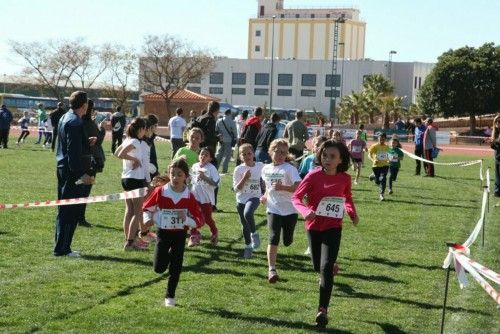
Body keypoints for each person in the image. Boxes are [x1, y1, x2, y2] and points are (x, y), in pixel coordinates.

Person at [292, 140, 359, 328]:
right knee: (317, 266)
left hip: (333, 227)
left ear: (340, 160)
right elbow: (296, 197)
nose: (327, 159)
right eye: (324, 155)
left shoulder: (344, 179)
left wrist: (352, 213)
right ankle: (330, 266)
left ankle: (322, 310)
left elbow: (347, 198)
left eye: (332, 156)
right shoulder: (312, 176)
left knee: (326, 268)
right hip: (314, 226)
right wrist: (306, 212)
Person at [143, 159, 204, 307]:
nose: (175, 178)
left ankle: (170, 296)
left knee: (176, 267)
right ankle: (167, 256)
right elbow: (147, 208)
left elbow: (200, 220)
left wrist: (187, 220)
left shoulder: (189, 197)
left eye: (179, 175)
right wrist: (148, 219)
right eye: (172, 174)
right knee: (159, 268)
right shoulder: (161, 191)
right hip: (163, 233)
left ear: (186, 177)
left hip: (180, 235)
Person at [54, 91, 93, 257]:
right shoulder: (75, 122)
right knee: (70, 211)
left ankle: (61, 246)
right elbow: (73, 152)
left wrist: (86, 141)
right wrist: (80, 175)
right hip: (71, 172)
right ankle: (63, 248)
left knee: (64, 209)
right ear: (84, 105)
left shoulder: (65, 117)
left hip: (62, 167)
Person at [260, 139, 302, 283]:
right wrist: (264, 197)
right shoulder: (265, 169)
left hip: (290, 210)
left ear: (287, 155)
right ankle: (272, 269)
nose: (280, 155)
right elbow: (268, 188)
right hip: (273, 208)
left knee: (287, 240)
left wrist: (283, 188)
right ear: (271, 151)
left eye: (283, 153)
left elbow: (298, 186)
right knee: (273, 237)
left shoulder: (289, 169)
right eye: (277, 151)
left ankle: (288, 237)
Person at [115, 117, 149, 251]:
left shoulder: (127, 140)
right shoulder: (135, 141)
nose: (145, 132)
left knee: (129, 210)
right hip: (135, 179)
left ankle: (129, 239)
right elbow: (120, 154)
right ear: (140, 129)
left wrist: (131, 158)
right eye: (144, 129)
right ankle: (130, 242)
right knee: (137, 211)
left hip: (126, 178)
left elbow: (116, 152)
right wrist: (135, 159)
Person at [78, 99, 106, 228]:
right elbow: (97, 141)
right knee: (84, 191)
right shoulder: (88, 123)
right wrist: (102, 129)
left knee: (80, 190)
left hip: (85, 161)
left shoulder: (80, 121)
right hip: (91, 162)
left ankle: (79, 217)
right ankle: (80, 218)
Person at [233, 144, 263, 258]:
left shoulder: (260, 166)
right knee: (244, 225)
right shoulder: (239, 169)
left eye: (249, 153)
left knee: (248, 213)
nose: (247, 156)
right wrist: (244, 178)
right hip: (241, 199)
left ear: (253, 154)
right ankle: (248, 247)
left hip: (255, 197)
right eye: (243, 154)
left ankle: (254, 234)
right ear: (240, 157)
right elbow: (236, 189)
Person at [188, 146, 220, 247]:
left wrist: (204, 177)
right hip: (194, 196)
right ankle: (194, 236)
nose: (203, 156)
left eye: (206, 155)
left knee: (207, 219)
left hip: (206, 198)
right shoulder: (194, 166)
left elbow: (215, 183)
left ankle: (214, 232)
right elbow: (191, 179)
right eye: (202, 154)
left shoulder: (211, 168)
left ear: (210, 158)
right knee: (193, 216)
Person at [368, 132, 390, 201]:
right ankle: (374, 176)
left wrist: (390, 159)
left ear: (385, 139)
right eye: (380, 139)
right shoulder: (375, 146)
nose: (381, 140)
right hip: (376, 166)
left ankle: (381, 194)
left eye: (383, 139)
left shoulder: (387, 147)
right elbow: (369, 154)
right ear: (378, 139)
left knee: (383, 179)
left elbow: (390, 155)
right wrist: (373, 160)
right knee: (377, 181)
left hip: (385, 166)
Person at [215, 108, 238, 174]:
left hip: (220, 140)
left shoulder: (219, 120)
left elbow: (216, 130)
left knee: (219, 155)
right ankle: (224, 170)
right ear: (229, 113)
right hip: (229, 140)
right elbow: (235, 132)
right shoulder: (232, 121)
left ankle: (216, 168)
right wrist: (235, 139)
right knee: (227, 156)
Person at [143, 114, 160, 180]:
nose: (157, 127)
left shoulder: (151, 139)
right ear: (151, 126)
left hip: (152, 173)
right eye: (156, 125)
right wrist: (155, 172)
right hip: (147, 174)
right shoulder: (145, 140)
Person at [490, 115, 500, 206]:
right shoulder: (496, 133)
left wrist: (495, 142)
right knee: (497, 177)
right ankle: (497, 192)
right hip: (497, 158)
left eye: (499, 122)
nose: (497, 124)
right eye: (496, 122)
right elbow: (495, 147)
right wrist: (492, 143)